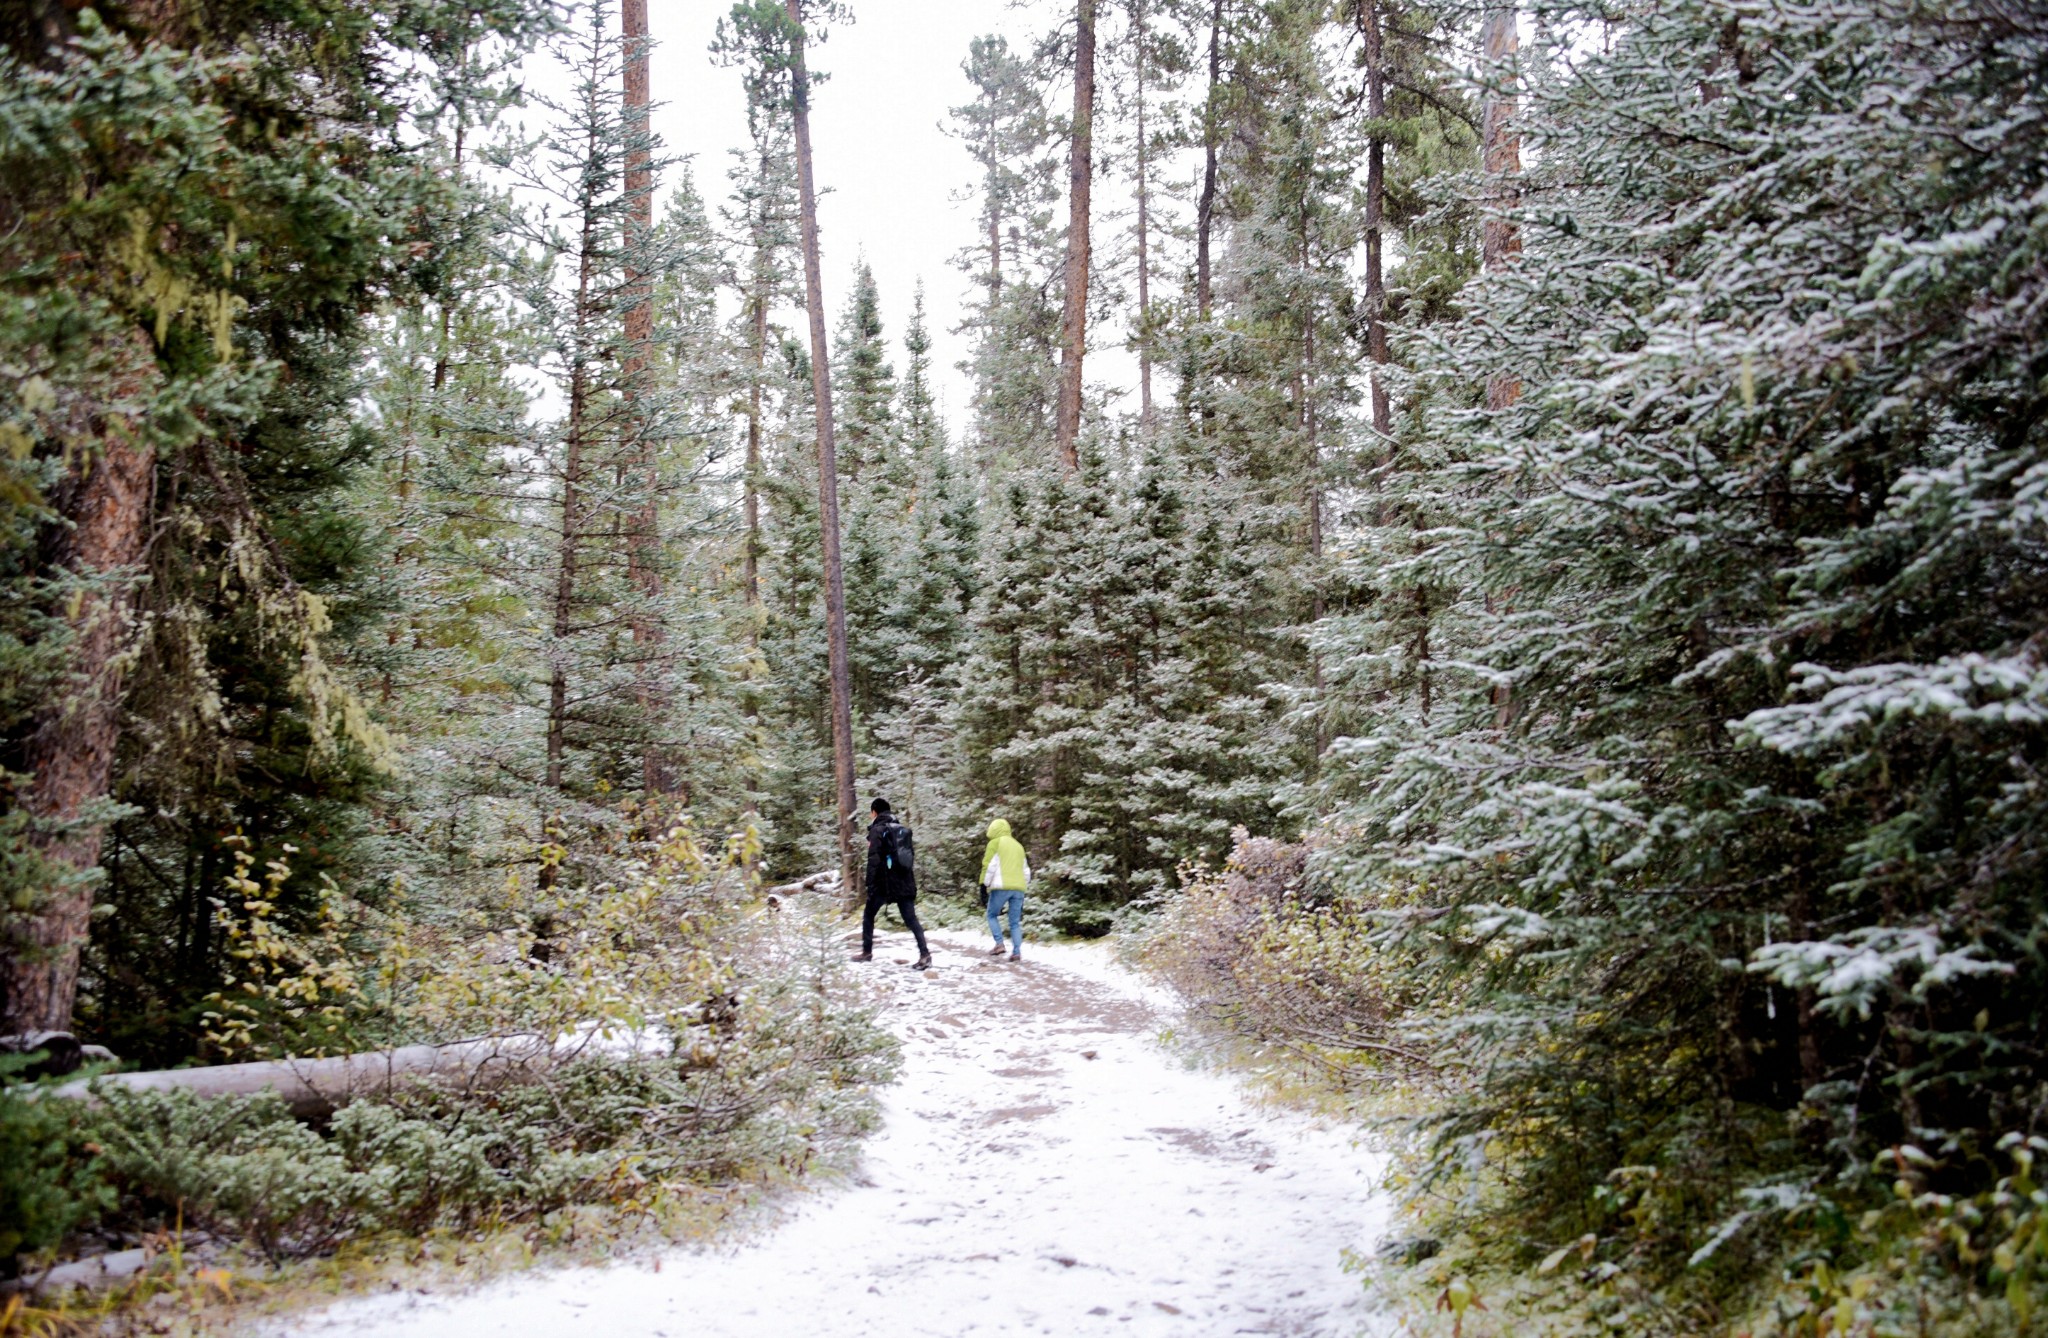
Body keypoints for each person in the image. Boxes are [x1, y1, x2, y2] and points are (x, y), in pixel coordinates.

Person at [855, 797, 931, 969]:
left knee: (868, 915)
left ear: (874, 812)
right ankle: (925, 954)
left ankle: (867, 952)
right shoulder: (901, 830)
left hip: (884, 884)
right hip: (905, 882)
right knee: (911, 919)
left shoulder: (877, 830)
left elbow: (873, 860)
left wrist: (870, 884)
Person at [980, 817, 1030, 962]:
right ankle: (1016, 952)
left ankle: (999, 944)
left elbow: (989, 866)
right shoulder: (1018, 846)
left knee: (991, 914)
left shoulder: (995, 843)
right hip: (1019, 888)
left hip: (1001, 887)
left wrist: (984, 885)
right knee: (1014, 922)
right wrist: (1023, 885)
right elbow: (1026, 870)